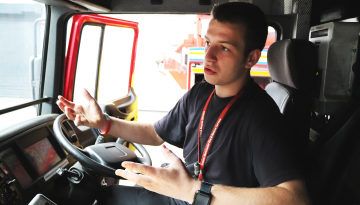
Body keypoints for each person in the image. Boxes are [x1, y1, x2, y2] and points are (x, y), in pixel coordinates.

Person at [57, 2, 309, 205]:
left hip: (199, 198)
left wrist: (194, 191)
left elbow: (295, 198)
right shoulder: (200, 93)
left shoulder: (260, 116)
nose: (207, 55)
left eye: (224, 48)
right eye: (208, 42)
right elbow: (156, 133)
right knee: (102, 197)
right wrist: (104, 123)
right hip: (183, 195)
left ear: (251, 58)